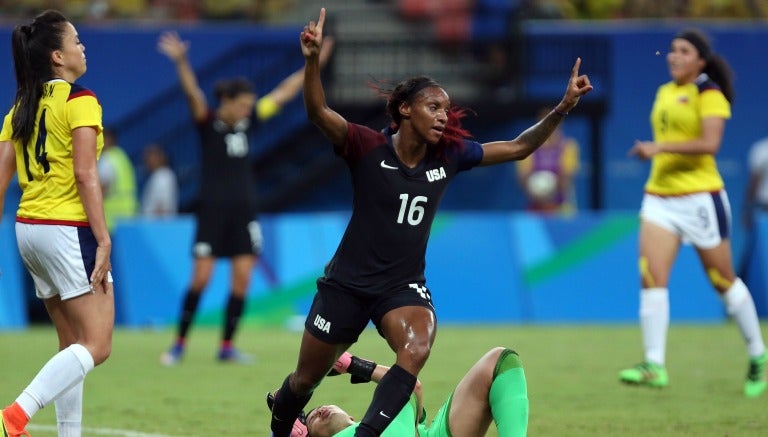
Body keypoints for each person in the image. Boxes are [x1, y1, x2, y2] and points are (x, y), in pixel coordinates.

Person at [269, 8, 591, 437]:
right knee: (304, 380)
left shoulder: (450, 155)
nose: (443, 115)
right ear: (404, 109)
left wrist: (562, 108)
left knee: (416, 346)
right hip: (346, 284)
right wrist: (311, 62)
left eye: (447, 108)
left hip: (400, 285)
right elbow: (318, 113)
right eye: (433, 106)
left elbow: (517, 147)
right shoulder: (366, 146)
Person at [157, 29, 335, 365]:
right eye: (241, 105)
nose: (246, 111)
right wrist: (181, 61)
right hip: (211, 213)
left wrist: (313, 63)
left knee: (241, 282)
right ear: (226, 102)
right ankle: (179, 344)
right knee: (201, 279)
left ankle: (226, 347)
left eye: (249, 106)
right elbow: (193, 93)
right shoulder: (207, 123)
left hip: (244, 213)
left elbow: (283, 93)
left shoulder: (249, 121)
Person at [621, 28, 767, 398]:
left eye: (683, 51)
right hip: (659, 198)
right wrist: (654, 152)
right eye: (671, 50)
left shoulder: (709, 93)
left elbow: (710, 144)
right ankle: (654, 364)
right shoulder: (665, 92)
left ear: (700, 61)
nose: (674, 56)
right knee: (651, 277)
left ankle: (757, 354)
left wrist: (660, 148)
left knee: (723, 282)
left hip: (700, 199)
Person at [0, 9, 114, 436]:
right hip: (68, 229)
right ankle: (13, 416)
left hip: (29, 229)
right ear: (57, 57)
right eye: (76, 41)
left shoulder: (20, 108)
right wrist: (102, 239)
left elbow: (0, 181)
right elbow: (86, 174)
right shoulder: (80, 100)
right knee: (97, 345)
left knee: (72, 344)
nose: (83, 47)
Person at [270, 347, 528, 437]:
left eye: (320, 408)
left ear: (350, 416)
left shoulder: (381, 414)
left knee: (499, 360)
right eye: (312, 418)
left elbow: (410, 386)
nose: (318, 412)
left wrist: (354, 365)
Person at [516, 107, 580, 214]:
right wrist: (536, 191)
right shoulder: (528, 148)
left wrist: (549, 191)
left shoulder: (568, 146)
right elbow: (523, 177)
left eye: (553, 123)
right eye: (544, 124)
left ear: (560, 124)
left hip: (561, 207)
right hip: (535, 208)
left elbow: (567, 176)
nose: (548, 128)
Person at [97, 127, 138, 231]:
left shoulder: (107, 159)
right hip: (129, 216)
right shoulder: (122, 156)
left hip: (112, 221)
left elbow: (101, 190)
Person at [140, 143, 178, 217]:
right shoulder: (157, 176)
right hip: (152, 226)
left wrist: (157, 227)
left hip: (158, 226)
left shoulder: (163, 177)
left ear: (160, 157)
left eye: (150, 157)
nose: (147, 161)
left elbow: (163, 208)